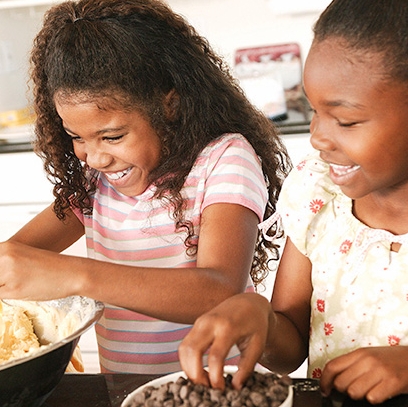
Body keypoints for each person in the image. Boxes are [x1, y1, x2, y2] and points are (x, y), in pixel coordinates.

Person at [0, 0, 291, 374]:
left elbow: (218, 290)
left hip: (215, 388)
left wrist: (76, 274)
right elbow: (17, 256)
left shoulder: (223, 160)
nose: (95, 157)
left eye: (113, 135)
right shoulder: (95, 182)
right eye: (76, 137)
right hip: (122, 390)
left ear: (168, 105)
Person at [178, 0, 408, 403]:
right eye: (315, 111)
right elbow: (292, 345)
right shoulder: (317, 197)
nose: (318, 137)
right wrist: (262, 319)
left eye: (346, 121)